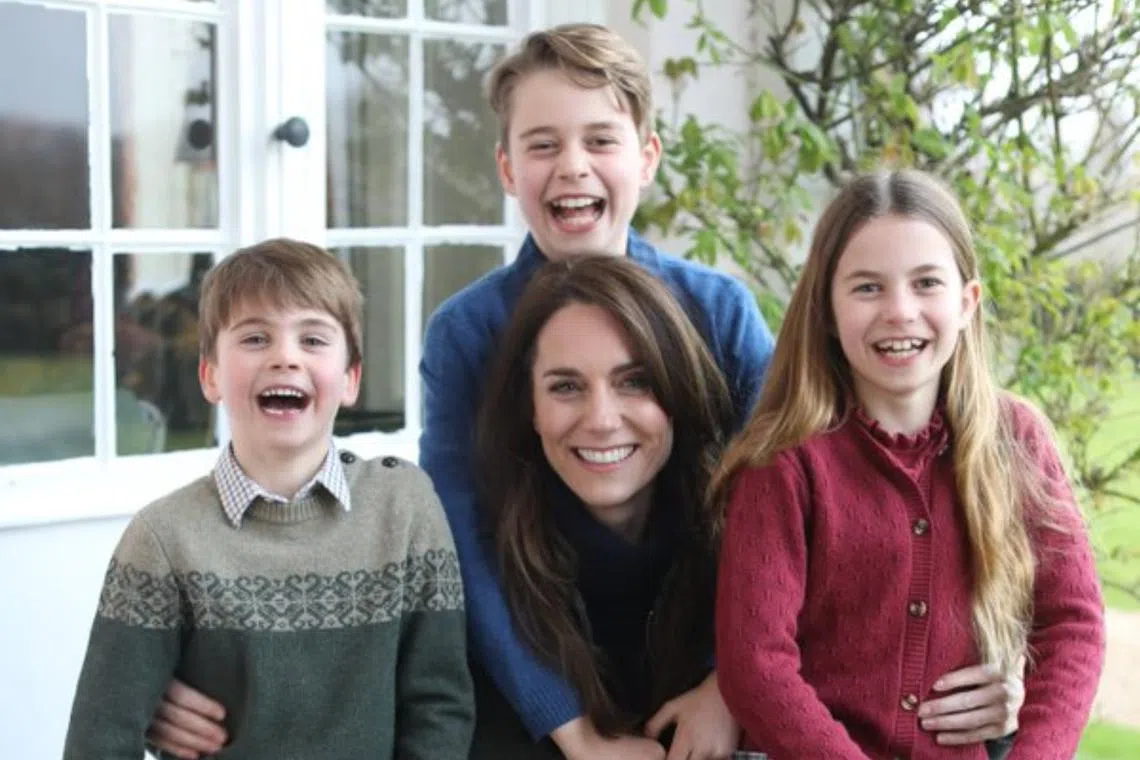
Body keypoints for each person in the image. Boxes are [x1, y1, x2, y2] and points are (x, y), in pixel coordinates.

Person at [142, 25, 1023, 759]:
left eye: (600, 139)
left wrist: (736, 686)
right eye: (542, 144)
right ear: (505, 167)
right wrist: (571, 731)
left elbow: (816, 502)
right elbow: (456, 551)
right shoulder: (467, 334)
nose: (573, 166)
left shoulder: (717, 312)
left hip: (706, 658)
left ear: (644, 157)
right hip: (532, 668)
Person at [713, 169, 1106, 759]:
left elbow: (1072, 624)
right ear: (826, 307)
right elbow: (755, 663)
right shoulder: (784, 465)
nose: (899, 311)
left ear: (967, 302)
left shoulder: (1015, 440)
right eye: (867, 288)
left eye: (926, 283)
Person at [62, 239, 474, 759]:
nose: (285, 357)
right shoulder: (162, 540)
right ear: (210, 375)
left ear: (351, 379)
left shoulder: (406, 507)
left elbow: (440, 708)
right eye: (256, 338)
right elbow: (100, 738)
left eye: (313, 340)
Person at [471, 255, 739, 758]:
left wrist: (733, 689)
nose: (601, 420)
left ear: (677, 393)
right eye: (566, 387)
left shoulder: (741, 556)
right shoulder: (488, 595)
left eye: (634, 381)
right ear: (530, 408)